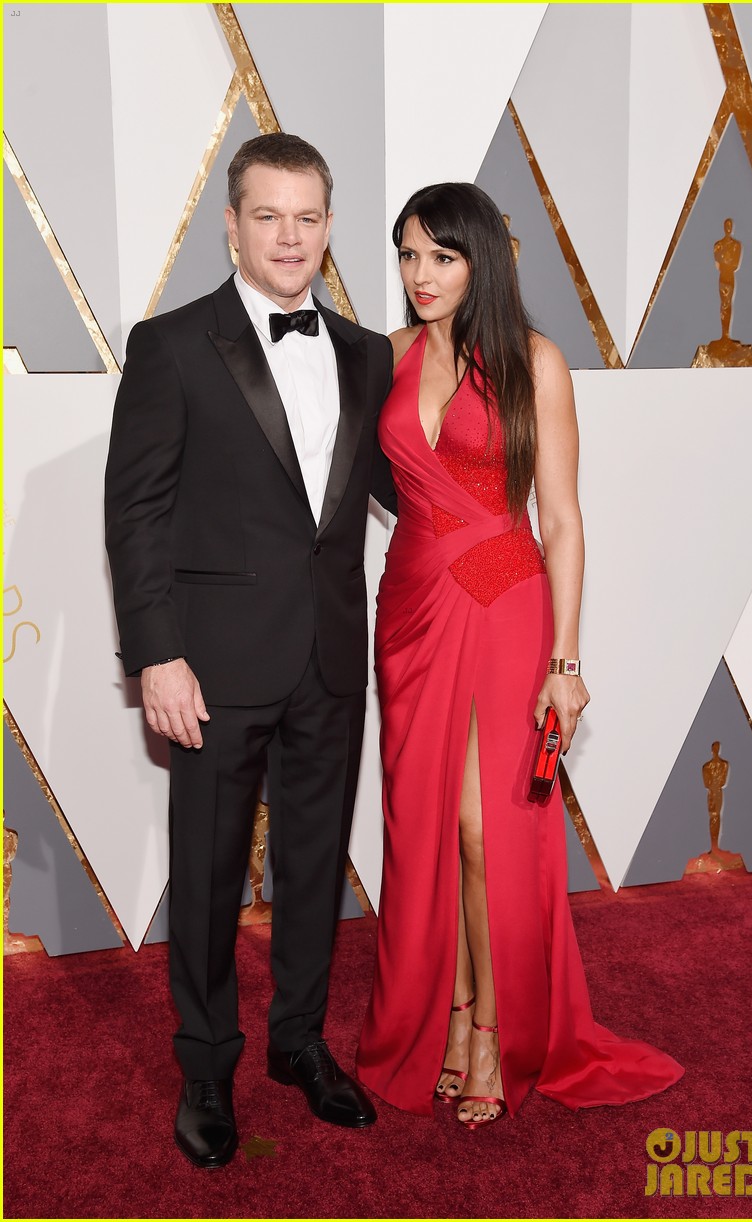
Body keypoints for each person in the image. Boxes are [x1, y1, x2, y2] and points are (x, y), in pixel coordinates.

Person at [356, 182, 683, 1127]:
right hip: (410, 606)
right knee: (423, 830)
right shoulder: (389, 354)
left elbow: (563, 520)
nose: (419, 274)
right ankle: (450, 1019)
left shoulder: (533, 360)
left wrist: (565, 664)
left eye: (441, 256)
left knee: (483, 830)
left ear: (483, 261)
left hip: (504, 604)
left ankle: (494, 1033)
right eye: (407, 254)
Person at [104, 133, 396, 1167]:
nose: (288, 236)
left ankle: (298, 1042)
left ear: (328, 226)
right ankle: (205, 1065)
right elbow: (135, 511)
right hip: (212, 664)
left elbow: (406, 487)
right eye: (267, 215)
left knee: (313, 865)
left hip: (331, 652)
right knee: (208, 871)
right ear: (231, 225)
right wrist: (156, 653)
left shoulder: (368, 352)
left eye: (306, 217)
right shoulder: (172, 343)